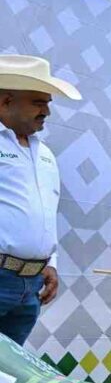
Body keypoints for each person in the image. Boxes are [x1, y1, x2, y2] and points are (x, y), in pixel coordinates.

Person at [0, 55, 81, 345]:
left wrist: (51, 262)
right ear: (6, 101)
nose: (47, 110)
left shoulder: (44, 153)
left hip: (31, 283)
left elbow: (46, 212)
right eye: (39, 102)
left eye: (47, 103)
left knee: (6, 378)